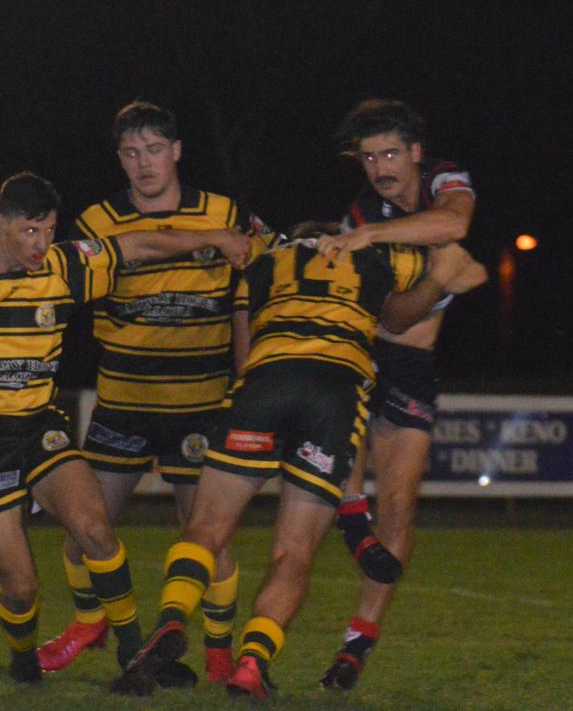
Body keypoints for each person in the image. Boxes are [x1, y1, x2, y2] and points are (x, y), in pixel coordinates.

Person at [110, 222, 480, 698]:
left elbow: (243, 357)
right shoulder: (371, 260)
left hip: (267, 380)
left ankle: (171, 618)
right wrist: (438, 279)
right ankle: (252, 660)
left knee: (205, 528)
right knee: (293, 551)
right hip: (333, 391)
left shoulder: (264, 265)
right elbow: (401, 317)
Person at [37, 101, 274, 683]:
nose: (143, 164)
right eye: (130, 153)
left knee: (209, 540)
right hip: (122, 402)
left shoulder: (226, 213)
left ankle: (219, 651)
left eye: (154, 150)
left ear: (177, 152)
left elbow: (266, 280)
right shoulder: (97, 221)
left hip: (201, 405)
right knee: (82, 530)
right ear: (119, 158)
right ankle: (90, 621)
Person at [0, 171, 250, 685]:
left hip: (41, 430)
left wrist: (215, 236)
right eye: (29, 231)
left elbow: (138, 242)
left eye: (49, 230)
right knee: (21, 588)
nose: (42, 243)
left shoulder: (66, 266)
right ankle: (23, 659)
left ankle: (133, 657)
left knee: (95, 529)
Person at [314, 98, 485, 691]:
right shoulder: (363, 209)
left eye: (389, 153)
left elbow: (455, 224)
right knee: (339, 445)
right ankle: (350, 518)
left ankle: (357, 644)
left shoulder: (440, 181)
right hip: (367, 347)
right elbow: (389, 318)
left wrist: (377, 240)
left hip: (413, 365)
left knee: (401, 509)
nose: (380, 167)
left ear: (415, 153)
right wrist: (444, 276)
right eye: (368, 157)